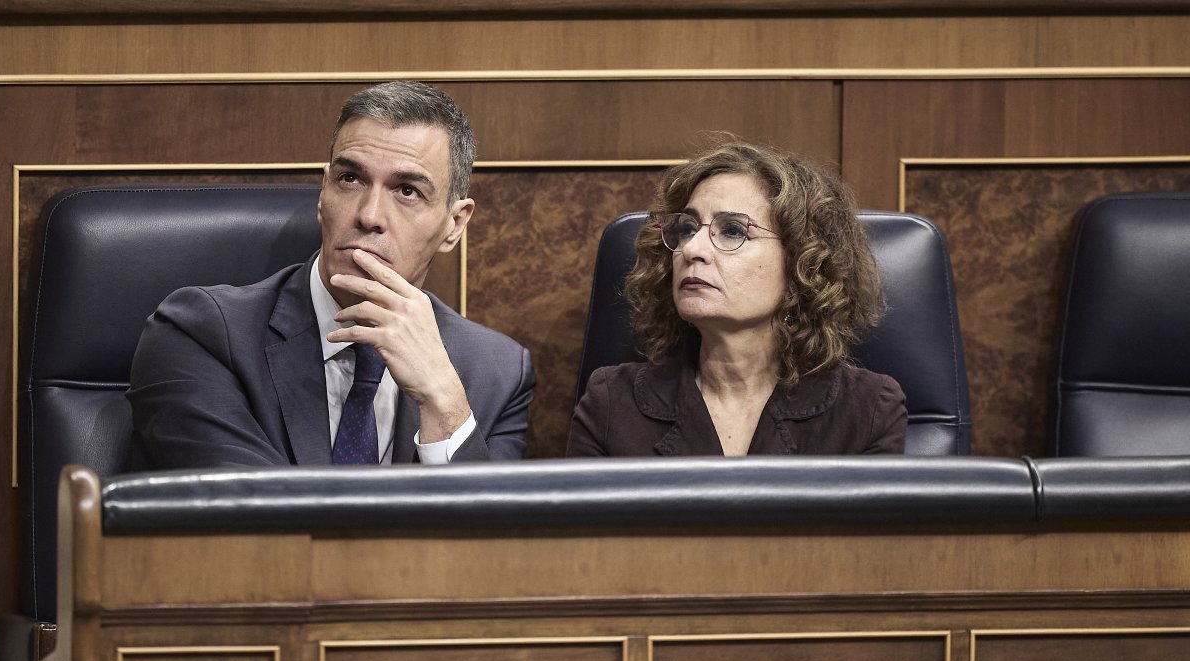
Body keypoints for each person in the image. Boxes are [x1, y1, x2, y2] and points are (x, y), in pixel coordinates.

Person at [129, 81, 536, 468]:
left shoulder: (497, 373)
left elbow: (488, 538)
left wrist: (443, 402)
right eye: (350, 179)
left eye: (407, 190)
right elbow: (249, 518)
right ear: (323, 194)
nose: (370, 215)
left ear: (454, 224)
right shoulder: (202, 335)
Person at [567, 136, 906, 457]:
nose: (692, 249)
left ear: (804, 261)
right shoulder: (612, 402)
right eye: (686, 228)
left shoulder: (868, 409)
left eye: (732, 231)